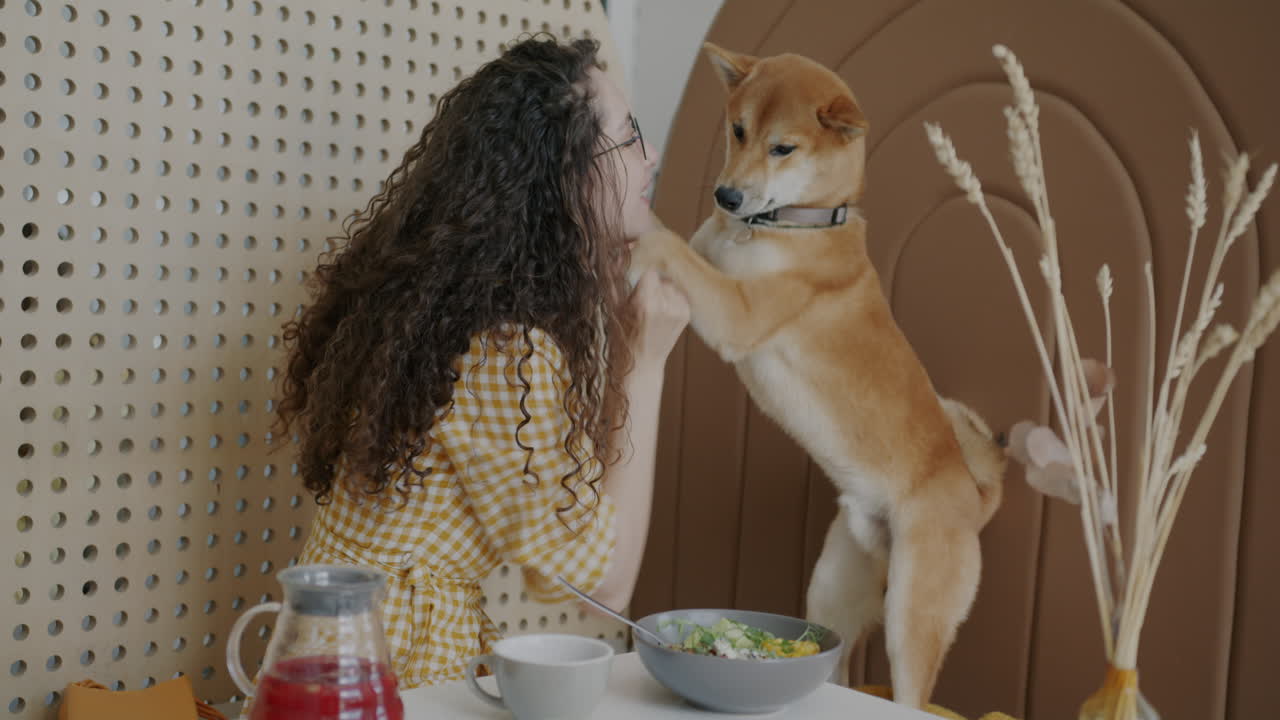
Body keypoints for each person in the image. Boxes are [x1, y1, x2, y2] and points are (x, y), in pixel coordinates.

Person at [273, 34, 689, 688]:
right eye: (630, 135)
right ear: (564, 171)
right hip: (389, 676)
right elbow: (604, 585)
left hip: (347, 654)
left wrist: (623, 346)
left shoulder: (457, 315)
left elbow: (577, 530)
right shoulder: (504, 353)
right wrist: (649, 367)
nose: (652, 153)